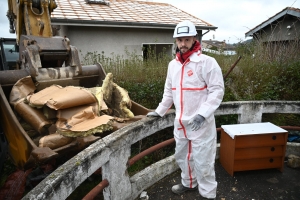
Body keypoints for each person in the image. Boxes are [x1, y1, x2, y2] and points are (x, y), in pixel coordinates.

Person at [147, 20, 224, 199]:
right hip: (181, 123)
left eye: (187, 40)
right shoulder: (172, 65)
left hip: (201, 124)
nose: (183, 44)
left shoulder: (207, 62)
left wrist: (203, 114)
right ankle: (189, 183)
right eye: (180, 40)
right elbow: (169, 93)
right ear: (176, 41)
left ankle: (208, 194)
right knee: (183, 157)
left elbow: (217, 91)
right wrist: (159, 111)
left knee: (203, 161)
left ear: (194, 39)